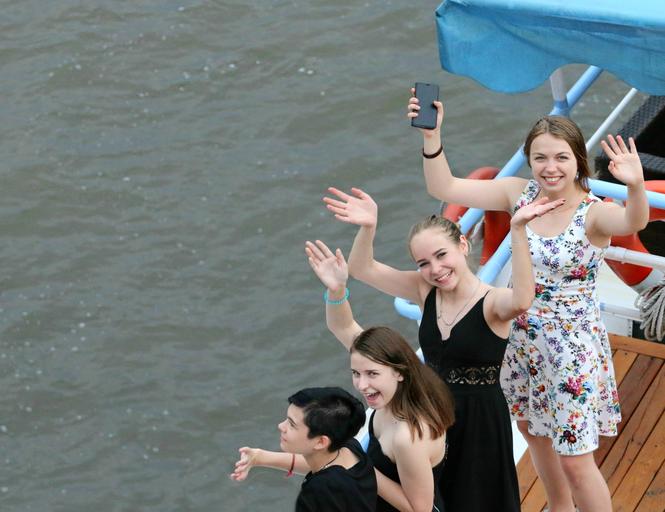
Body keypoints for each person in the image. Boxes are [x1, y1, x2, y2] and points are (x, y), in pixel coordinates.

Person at [408, 96, 649, 512]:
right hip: (518, 339)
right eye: (540, 158)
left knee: (576, 462)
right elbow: (443, 187)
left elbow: (634, 222)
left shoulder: (592, 213)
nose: (550, 167)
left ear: (578, 160)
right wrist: (432, 137)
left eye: (561, 157)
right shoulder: (518, 193)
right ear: (529, 160)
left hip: (570, 348)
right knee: (533, 434)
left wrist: (635, 185)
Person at [320, 187, 562, 512]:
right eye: (424, 262)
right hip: (429, 409)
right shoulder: (425, 290)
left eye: (441, 255)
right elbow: (362, 269)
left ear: (463, 244)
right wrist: (368, 227)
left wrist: (517, 230)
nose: (435, 269)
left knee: (475, 500)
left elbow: (521, 300)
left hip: (477, 419)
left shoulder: (491, 302)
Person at [305, 239, 456, 512]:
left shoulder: (407, 436)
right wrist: (337, 290)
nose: (362, 385)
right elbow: (343, 326)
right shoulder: (401, 390)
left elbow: (420, 509)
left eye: (372, 374)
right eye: (356, 373)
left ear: (399, 372)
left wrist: (359, 466)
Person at [231, 386, 376, 512]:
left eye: (291, 424)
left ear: (321, 442)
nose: (281, 426)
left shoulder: (318, 494)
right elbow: (321, 466)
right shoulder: (349, 447)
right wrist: (259, 457)